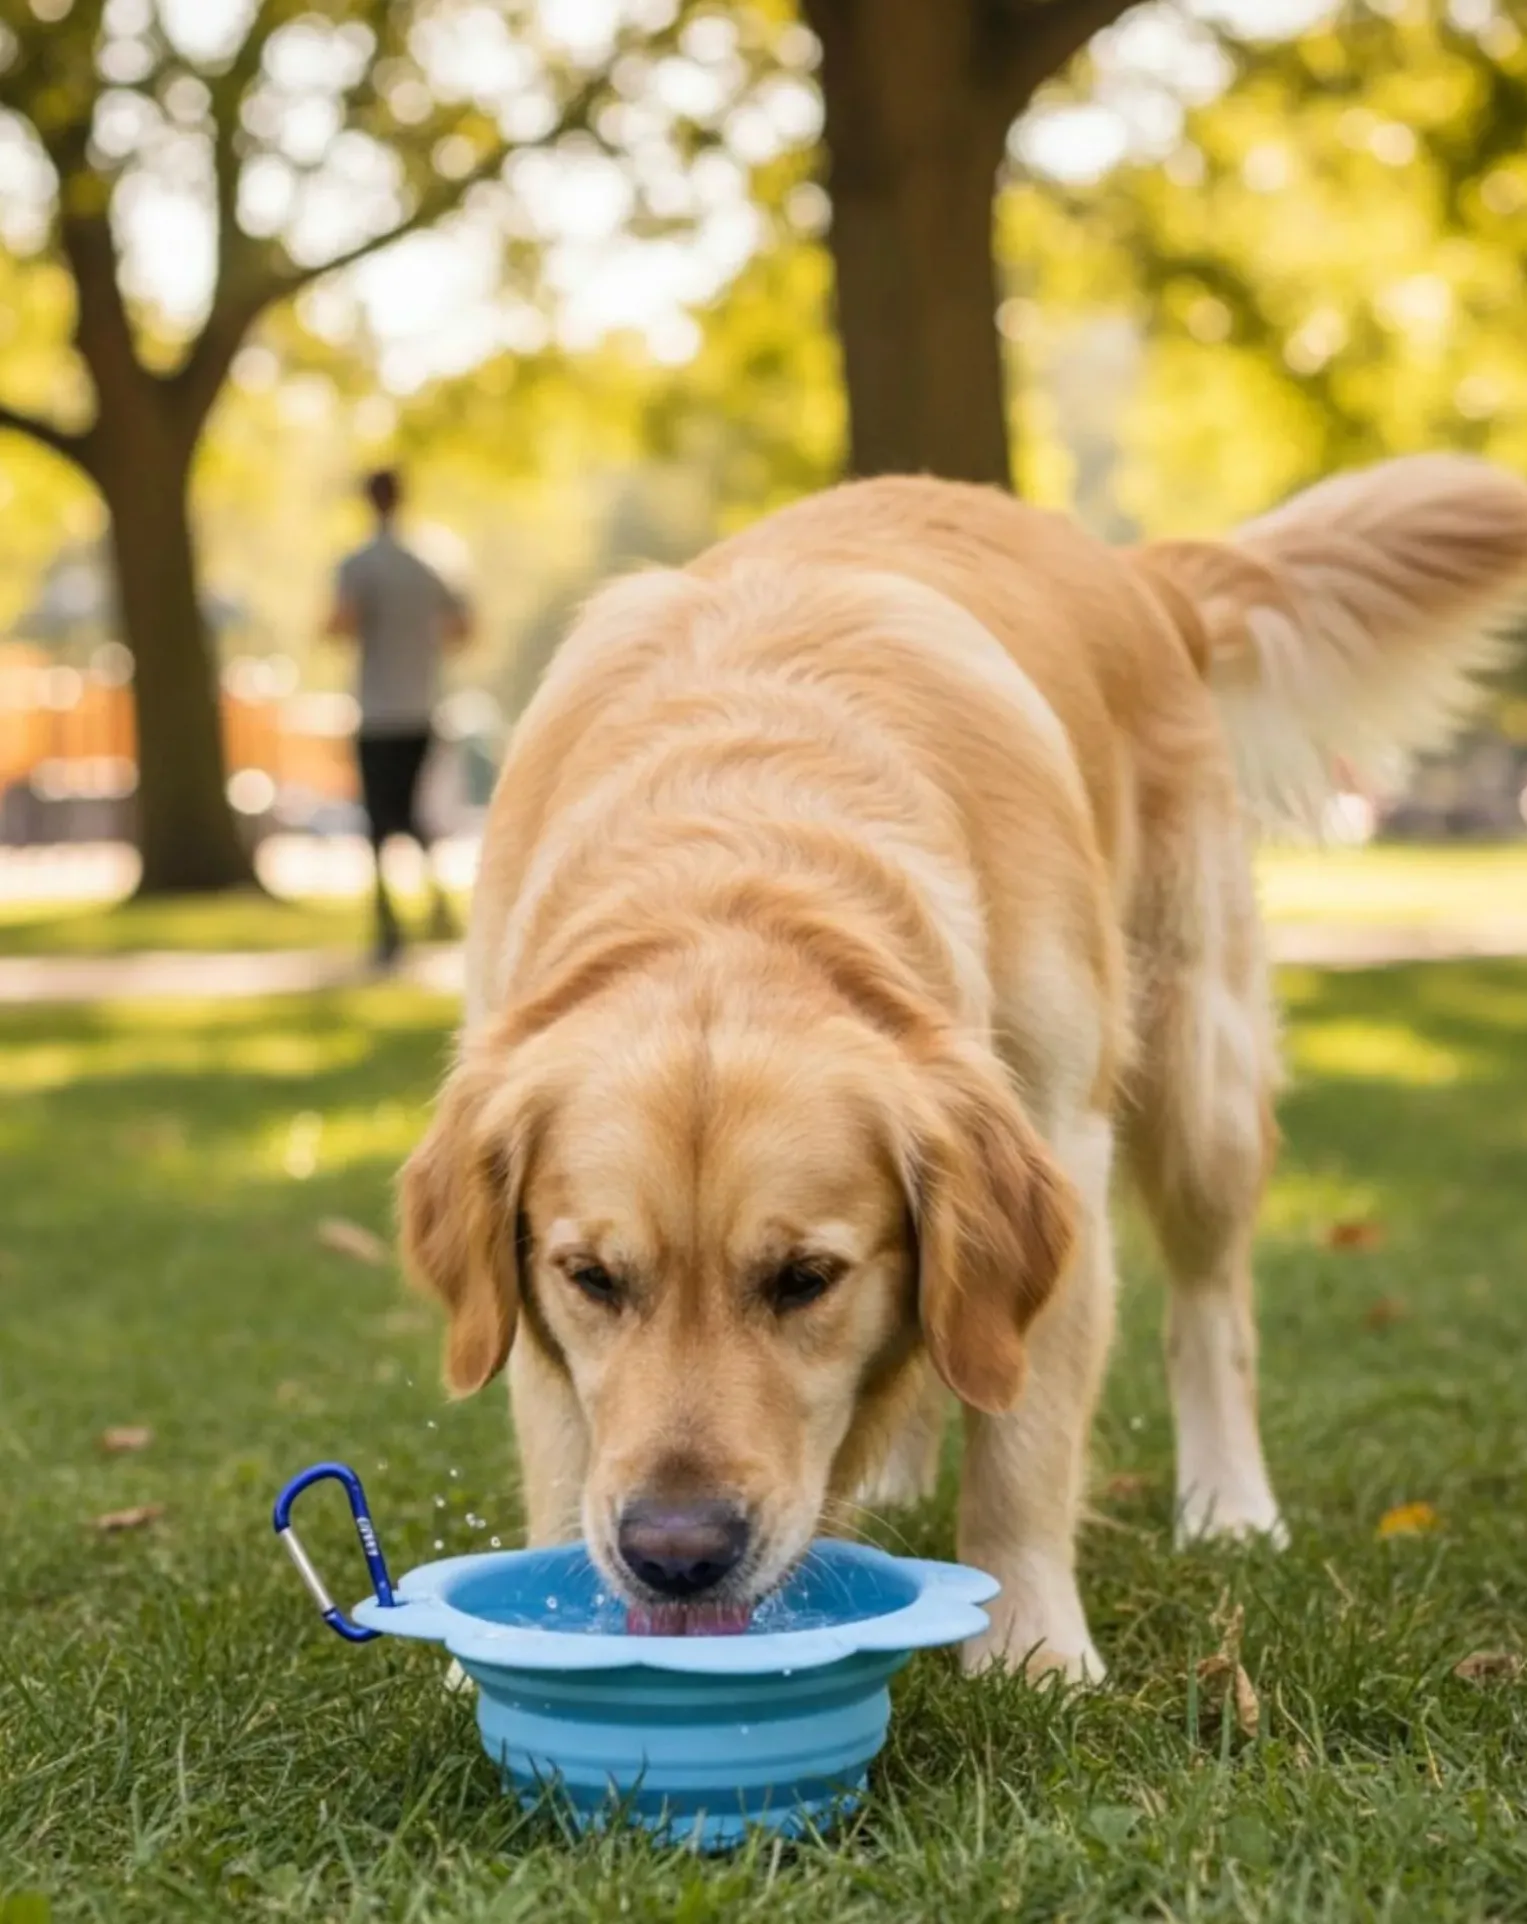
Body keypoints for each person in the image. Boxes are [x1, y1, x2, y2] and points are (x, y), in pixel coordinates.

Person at [326, 468, 472, 965]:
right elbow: (464, 628)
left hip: (378, 710)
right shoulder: (431, 564)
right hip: (422, 705)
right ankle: (436, 906)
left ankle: (389, 919)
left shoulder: (359, 565)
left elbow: (338, 625)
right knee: (410, 811)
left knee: (380, 817)